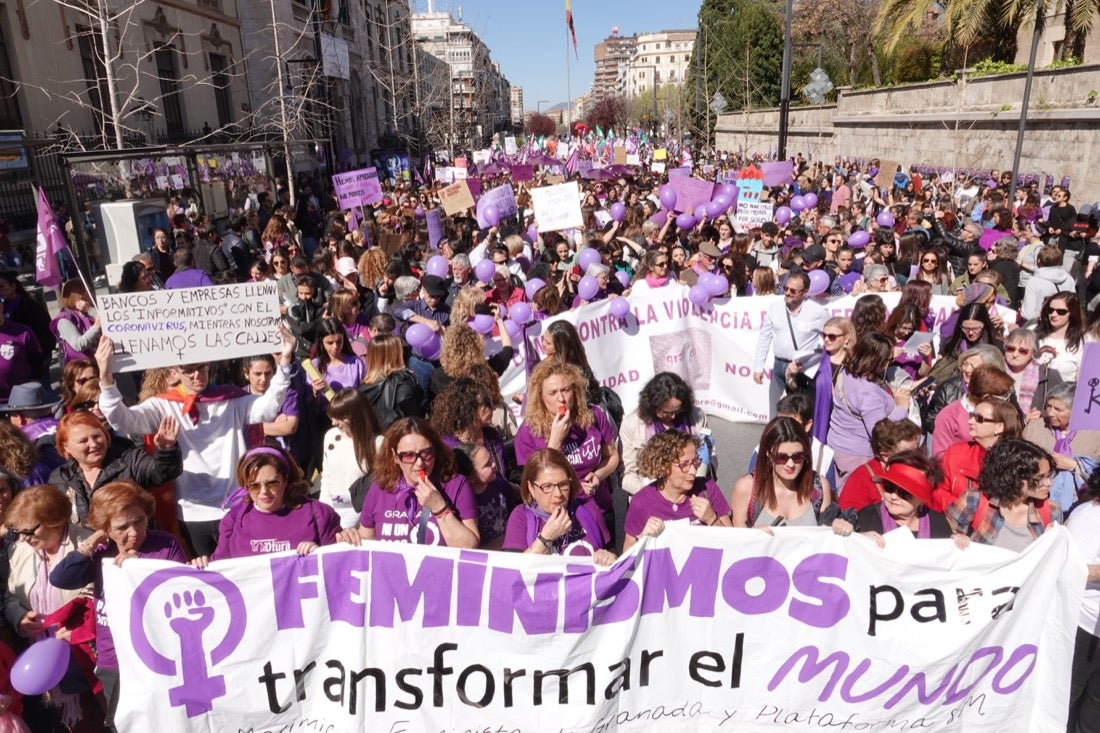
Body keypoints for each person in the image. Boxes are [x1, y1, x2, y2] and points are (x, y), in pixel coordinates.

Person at [96, 327, 298, 557]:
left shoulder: (231, 399)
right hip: (192, 511)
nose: (197, 375)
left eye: (201, 368)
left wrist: (284, 362)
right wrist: (106, 377)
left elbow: (267, 409)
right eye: (188, 371)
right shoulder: (163, 405)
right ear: (174, 372)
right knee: (205, 570)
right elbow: (122, 420)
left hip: (236, 504)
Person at [49, 481, 187, 728]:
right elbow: (61, 578)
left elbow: (178, 591)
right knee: (122, 724)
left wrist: (137, 569)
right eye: (122, 527)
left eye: (139, 521)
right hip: (113, 660)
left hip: (156, 657)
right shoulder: (101, 552)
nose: (133, 532)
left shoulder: (165, 544)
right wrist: (91, 544)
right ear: (106, 529)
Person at [2, 485, 97, 731]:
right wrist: (19, 617)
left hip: (86, 653)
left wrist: (77, 628)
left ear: (54, 520)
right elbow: (10, 596)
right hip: (43, 659)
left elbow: (98, 597)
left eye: (28, 530)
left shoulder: (88, 544)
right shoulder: (19, 549)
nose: (23, 537)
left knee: (96, 719)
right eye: (18, 531)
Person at [337, 418, 479, 548]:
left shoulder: (454, 485)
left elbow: (469, 547)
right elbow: (367, 540)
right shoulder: (379, 489)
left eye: (427, 453)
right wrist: (350, 538)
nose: (420, 463)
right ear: (395, 457)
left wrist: (439, 508)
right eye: (409, 455)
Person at [514, 360, 619, 515]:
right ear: (540, 396)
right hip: (559, 512)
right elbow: (533, 484)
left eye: (566, 390)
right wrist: (554, 442)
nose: (561, 398)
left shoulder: (594, 416)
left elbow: (611, 456)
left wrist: (598, 475)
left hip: (598, 507)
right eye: (552, 393)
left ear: (575, 391)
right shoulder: (528, 432)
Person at [205, 446, 339, 560]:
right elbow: (219, 569)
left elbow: (340, 565)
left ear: (285, 480)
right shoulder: (233, 520)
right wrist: (200, 566)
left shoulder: (318, 514)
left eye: (272, 484)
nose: (264, 492)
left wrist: (320, 553)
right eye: (254, 486)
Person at [48, 411, 183, 524]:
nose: (93, 444)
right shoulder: (60, 478)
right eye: (83, 441)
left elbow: (163, 472)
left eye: (97, 436)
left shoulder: (130, 460)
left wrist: (166, 449)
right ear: (66, 447)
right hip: (87, 546)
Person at [622, 430, 732, 551]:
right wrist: (643, 537)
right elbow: (627, 553)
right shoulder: (641, 501)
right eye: (684, 465)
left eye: (695, 462)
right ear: (663, 466)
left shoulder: (707, 488)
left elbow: (733, 543)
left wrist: (712, 519)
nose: (693, 471)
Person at [827, 332, 912, 488]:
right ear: (876, 361)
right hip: (857, 456)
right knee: (854, 496)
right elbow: (880, 431)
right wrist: (902, 406)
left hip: (838, 443)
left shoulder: (846, 371)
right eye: (887, 360)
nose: (888, 364)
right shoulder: (868, 393)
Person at [501, 448, 613, 562]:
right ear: (531, 488)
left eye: (563, 484)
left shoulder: (588, 509)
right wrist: (546, 538)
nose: (558, 494)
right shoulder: (520, 517)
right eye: (547, 486)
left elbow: (612, 555)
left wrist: (609, 558)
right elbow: (514, 569)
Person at [946, 438, 1061, 550]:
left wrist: (1048, 545)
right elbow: (945, 539)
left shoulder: (1051, 512)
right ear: (1015, 477)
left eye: (1049, 476)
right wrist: (957, 538)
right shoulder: (974, 500)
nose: (1049, 483)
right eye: (1040, 478)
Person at [831, 450, 954, 542]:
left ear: (922, 499)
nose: (894, 496)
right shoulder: (866, 518)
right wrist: (848, 533)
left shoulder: (939, 526)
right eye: (889, 487)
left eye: (904, 493)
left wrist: (959, 544)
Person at [731, 416, 833, 527]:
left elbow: (826, 533)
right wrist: (755, 534)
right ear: (768, 453)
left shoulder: (819, 487)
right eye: (781, 457)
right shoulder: (747, 488)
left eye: (797, 457)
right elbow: (737, 536)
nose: (791, 464)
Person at [619, 372, 710, 496]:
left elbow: (710, 457)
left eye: (677, 411)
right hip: (650, 496)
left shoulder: (697, 417)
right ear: (651, 405)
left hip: (691, 492)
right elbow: (626, 474)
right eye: (666, 412)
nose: (673, 417)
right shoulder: (631, 424)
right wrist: (650, 494)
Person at [753, 272, 827, 413]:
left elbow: (832, 334)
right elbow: (764, 337)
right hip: (779, 366)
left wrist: (817, 359)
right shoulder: (775, 307)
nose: (787, 293)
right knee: (775, 411)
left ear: (805, 292)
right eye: (785, 288)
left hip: (801, 369)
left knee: (799, 412)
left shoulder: (818, 312)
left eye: (793, 291)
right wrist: (758, 367)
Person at [931, 398, 1022, 512]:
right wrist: (963, 511)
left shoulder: (1018, 461)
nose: (970, 421)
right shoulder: (955, 453)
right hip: (954, 519)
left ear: (999, 427)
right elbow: (938, 491)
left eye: (979, 418)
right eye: (972, 415)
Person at [1022, 383, 1100, 511]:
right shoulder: (1035, 429)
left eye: (1058, 409)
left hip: (1081, 505)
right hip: (1037, 504)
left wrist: (1074, 465)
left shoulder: (1094, 435)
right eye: (1049, 406)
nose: (1050, 413)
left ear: (1075, 410)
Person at [1065, 466, 1100, 731]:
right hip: (1083, 624)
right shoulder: (1091, 517)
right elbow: (1070, 568)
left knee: (1096, 702)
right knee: (1069, 695)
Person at [319, 389, 383, 528]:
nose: (334, 423)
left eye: (340, 418)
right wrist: (322, 509)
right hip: (332, 509)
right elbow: (327, 476)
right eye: (332, 417)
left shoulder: (379, 443)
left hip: (361, 514)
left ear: (356, 416)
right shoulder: (330, 436)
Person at [931, 364, 1016, 457]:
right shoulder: (949, 416)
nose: (1008, 401)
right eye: (1004, 397)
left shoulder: (1004, 412)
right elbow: (941, 457)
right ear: (987, 397)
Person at [837, 419, 923, 512]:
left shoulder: (920, 472)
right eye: (907, 453)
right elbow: (849, 516)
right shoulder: (861, 479)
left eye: (917, 450)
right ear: (885, 456)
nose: (916, 457)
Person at [359, 333, 424, 429]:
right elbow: (414, 417)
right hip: (399, 434)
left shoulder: (363, 389)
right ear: (396, 355)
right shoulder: (403, 381)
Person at [1003, 328, 1063, 418]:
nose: (1015, 355)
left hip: (1033, 425)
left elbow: (1063, 407)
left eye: (1023, 351)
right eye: (1011, 349)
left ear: (1033, 353)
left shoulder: (1049, 375)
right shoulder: (995, 370)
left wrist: (1041, 414)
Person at [1033, 291, 1084, 383]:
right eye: (1050, 310)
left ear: (1072, 314)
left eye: (1061, 312)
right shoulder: (1033, 332)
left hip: (1063, 391)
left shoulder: (1083, 342)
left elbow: (1081, 380)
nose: (1053, 314)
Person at [49, 280, 100, 365]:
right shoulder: (64, 320)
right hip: (82, 367)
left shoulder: (88, 312)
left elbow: (105, 320)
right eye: (88, 291)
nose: (92, 294)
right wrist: (96, 327)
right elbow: (78, 345)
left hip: (99, 362)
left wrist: (89, 309)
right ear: (79, 296)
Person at [0, 305, 44, 402]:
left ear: (1, 307)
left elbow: (37, 361)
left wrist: (32, 388)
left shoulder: (23, 332)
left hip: (18, 400)